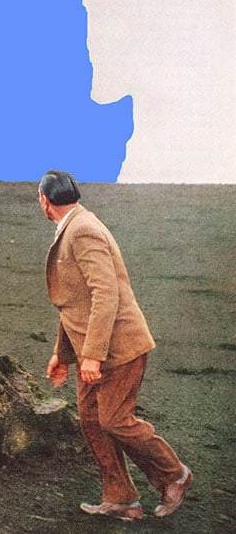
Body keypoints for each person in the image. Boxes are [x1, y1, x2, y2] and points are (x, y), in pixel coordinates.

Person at [38, 170, 193, 521]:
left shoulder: (83, 229)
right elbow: (74, 302)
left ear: (44, 200)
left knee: (114, 420)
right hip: (92, 348)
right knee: (93, 421)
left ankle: (174, 474)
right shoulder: (73, 226)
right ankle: (121, 498)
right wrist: (62, 355)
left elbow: (105, 294)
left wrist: (92, 355)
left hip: (119, 348)